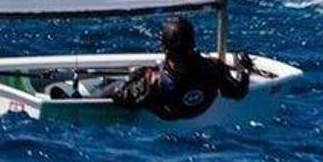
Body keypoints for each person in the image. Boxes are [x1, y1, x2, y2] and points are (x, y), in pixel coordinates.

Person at [100, 17, 253, 120]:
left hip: (169, 117)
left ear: (164, 47)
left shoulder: (153, 82)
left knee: (117, 88)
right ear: (193, 44)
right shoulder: (214, 68)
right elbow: (237, 92)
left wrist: (133, 78)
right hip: (199, 112)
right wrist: (244, 70)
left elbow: (121, 97)